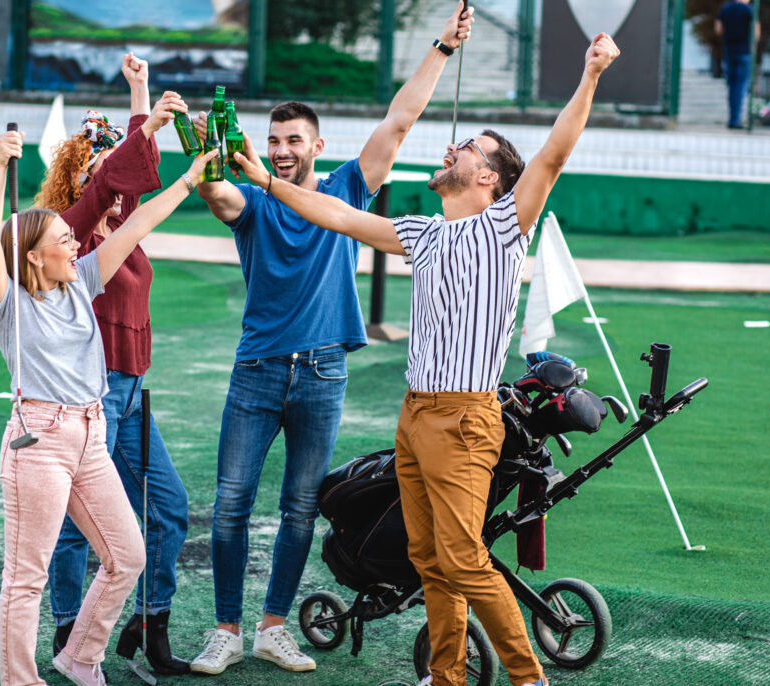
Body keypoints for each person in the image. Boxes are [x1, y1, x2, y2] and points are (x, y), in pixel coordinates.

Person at [230, 29, 621, 686]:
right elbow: (338, 216)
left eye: (468, 148)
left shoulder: (503, 229)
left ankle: (530, 679)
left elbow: (552, 156)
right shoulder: (422, 234)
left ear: (489, 177)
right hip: (415, 417)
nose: (452, 148)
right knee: (430, 559)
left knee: (464, 559)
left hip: (465, 421)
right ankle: (446, 677)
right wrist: (267, 180)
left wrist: (589, 76)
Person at [186, 1, 475, 676]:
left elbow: (399, 121)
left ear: (316, 146)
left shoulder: (347, 187)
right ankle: (226, 627)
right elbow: (214, 193)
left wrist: (442, 45)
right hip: (256, 371)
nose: (283, 151)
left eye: (294, 141)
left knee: (297, 510)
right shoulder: (250, 200)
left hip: (322, 373)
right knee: (230, 505)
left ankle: (273, 628)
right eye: (274, 141)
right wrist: (201, 149)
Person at [0, 128, 214, 686]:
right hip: (39, 439)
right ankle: (21, 679)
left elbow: (137, 225)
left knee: (126, 555)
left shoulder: (83, 279)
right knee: (26, 577)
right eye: (63, 238)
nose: (74, 242)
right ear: (33, 256)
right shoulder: (6, 303)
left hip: (90, 432)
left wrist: (188, 178)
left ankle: (79, 655)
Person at [35, 53, 193, 675]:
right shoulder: (70, 236)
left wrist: (140, 91)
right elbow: (119, 173)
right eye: (103, 168)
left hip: (130, 392)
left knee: (169, 509)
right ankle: (70, 632)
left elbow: (141, 173)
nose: (118, 176)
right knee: (78, 529)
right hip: (93, 395)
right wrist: (144, 125)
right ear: (84, 179)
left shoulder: (122, 224)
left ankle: (149, 625)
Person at [715, 0, 760, 129]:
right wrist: (752, 45)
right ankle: (736, 120)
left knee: (732, 85)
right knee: (740, 86)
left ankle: (732, 119)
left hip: (729, 50)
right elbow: (756, 30)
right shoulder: (749, 10)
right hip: (744, 51)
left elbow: (718, 28)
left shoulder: (726, 8)